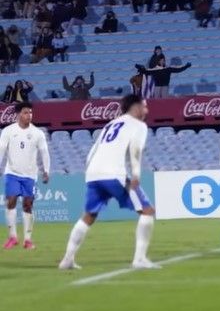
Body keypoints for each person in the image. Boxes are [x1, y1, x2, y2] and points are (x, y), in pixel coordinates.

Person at [59, 94, 158, 270]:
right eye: (144, 106)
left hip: (93, 174)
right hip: (113, 174)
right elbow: (135, 150)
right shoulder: (138, 125)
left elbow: (92, 151)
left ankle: (67, 259)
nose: (146, 110)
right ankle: (139, 259)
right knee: (147, 211)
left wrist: (90, 172)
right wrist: (136, 173)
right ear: (135, 107)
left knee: (89, 215)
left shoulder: (110, 124)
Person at [0, 102, 50, 250]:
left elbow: (44, 152)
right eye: (26, 112)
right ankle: (13, 237)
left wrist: (46, 170)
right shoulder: (8, 131)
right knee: (11, 200)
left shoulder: (38, 133)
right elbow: (1, 149)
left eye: (30, 112)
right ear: (18, 114)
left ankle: (27, 240)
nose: (29, 115)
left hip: (30, 175)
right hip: (12, 172)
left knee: (28, 205)